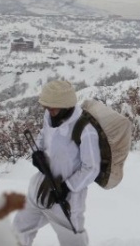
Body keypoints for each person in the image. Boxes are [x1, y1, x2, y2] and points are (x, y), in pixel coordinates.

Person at [12, 80, 100, 246]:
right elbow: (43, 137)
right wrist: (37, 155)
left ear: (66, 106)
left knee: (72, 241)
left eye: (52, 107)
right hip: (39, 189)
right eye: (46, 107)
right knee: (19, 231)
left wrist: (67, 187)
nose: (48, 110)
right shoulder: (50, 117)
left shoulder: (85, 130)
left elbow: (92, 168)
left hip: (66, 199)